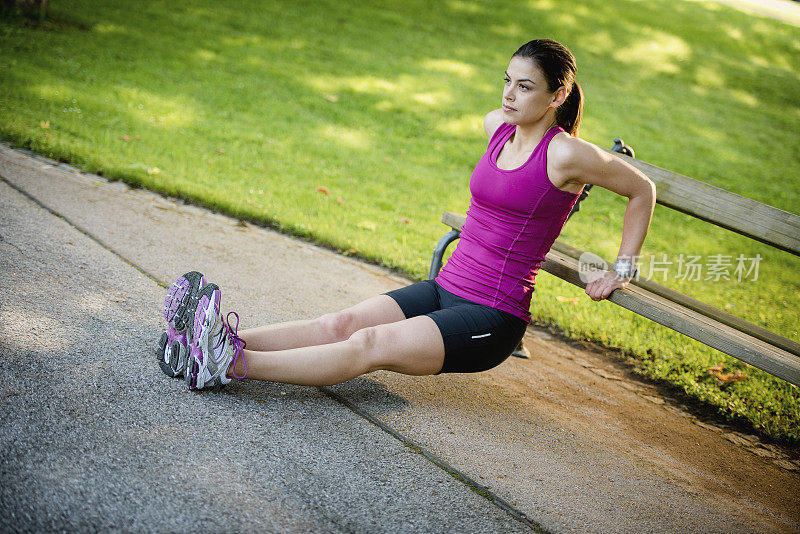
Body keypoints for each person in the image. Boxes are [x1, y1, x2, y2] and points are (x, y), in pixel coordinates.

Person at [157, 38, 656, 391]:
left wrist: (622, 270)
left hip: (492, 314)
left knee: (371, 343)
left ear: (557, 95)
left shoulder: (566, 155)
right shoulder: (497, 128)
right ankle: (215, 341)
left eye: (524, 87)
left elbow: (641, 190)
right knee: (342, 322)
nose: (508, 94)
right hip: (446, 287)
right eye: (507, 81)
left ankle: (230, 363)